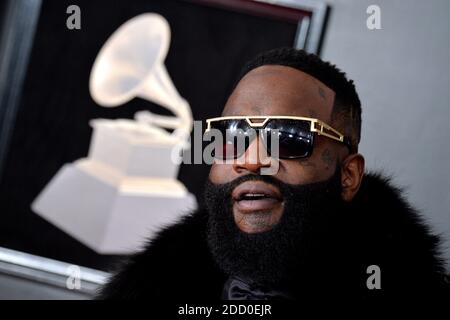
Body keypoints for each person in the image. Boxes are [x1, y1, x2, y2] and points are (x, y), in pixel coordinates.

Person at [98, 47, 449, 302]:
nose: (251, 160)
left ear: (349, 176)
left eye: (288, 137)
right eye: (231, 137)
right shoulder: (153, 285)